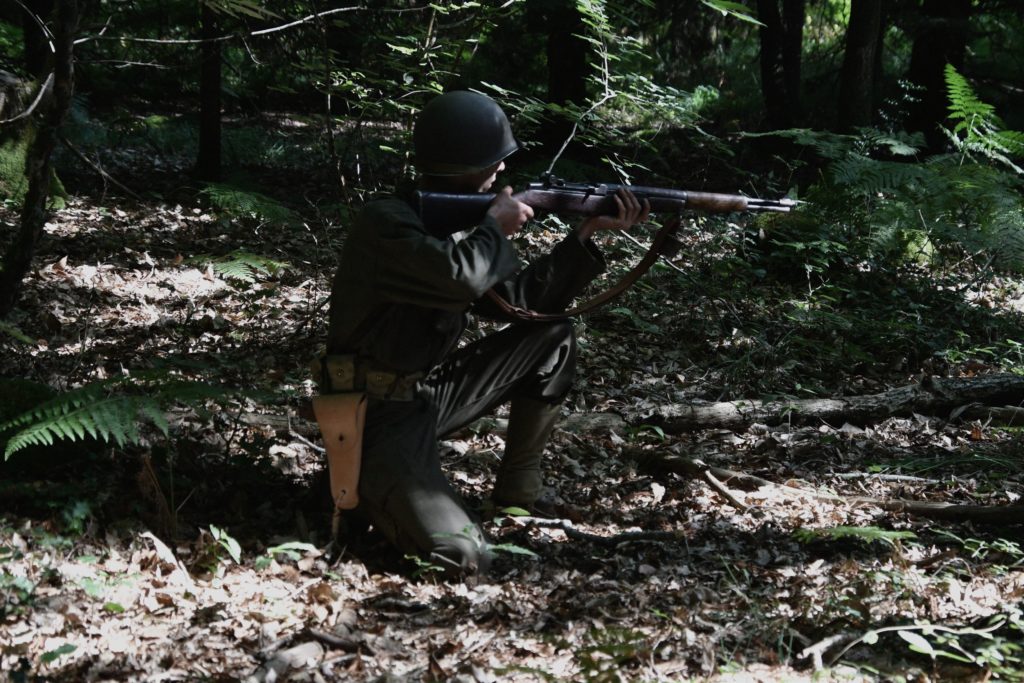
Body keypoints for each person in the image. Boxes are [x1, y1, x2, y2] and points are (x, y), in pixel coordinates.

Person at [322, 90, 648, 578]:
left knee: (551, 338)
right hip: (371, 417)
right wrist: (494, 228)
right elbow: (460, 278)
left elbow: (517, 302)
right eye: (493, 159)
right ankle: (363, 487)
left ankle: (518, 495)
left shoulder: (456, 225)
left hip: (421, 398)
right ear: (462, 164)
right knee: (464, 556)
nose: (501, 168)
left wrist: (585, 234)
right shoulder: (387, 223)